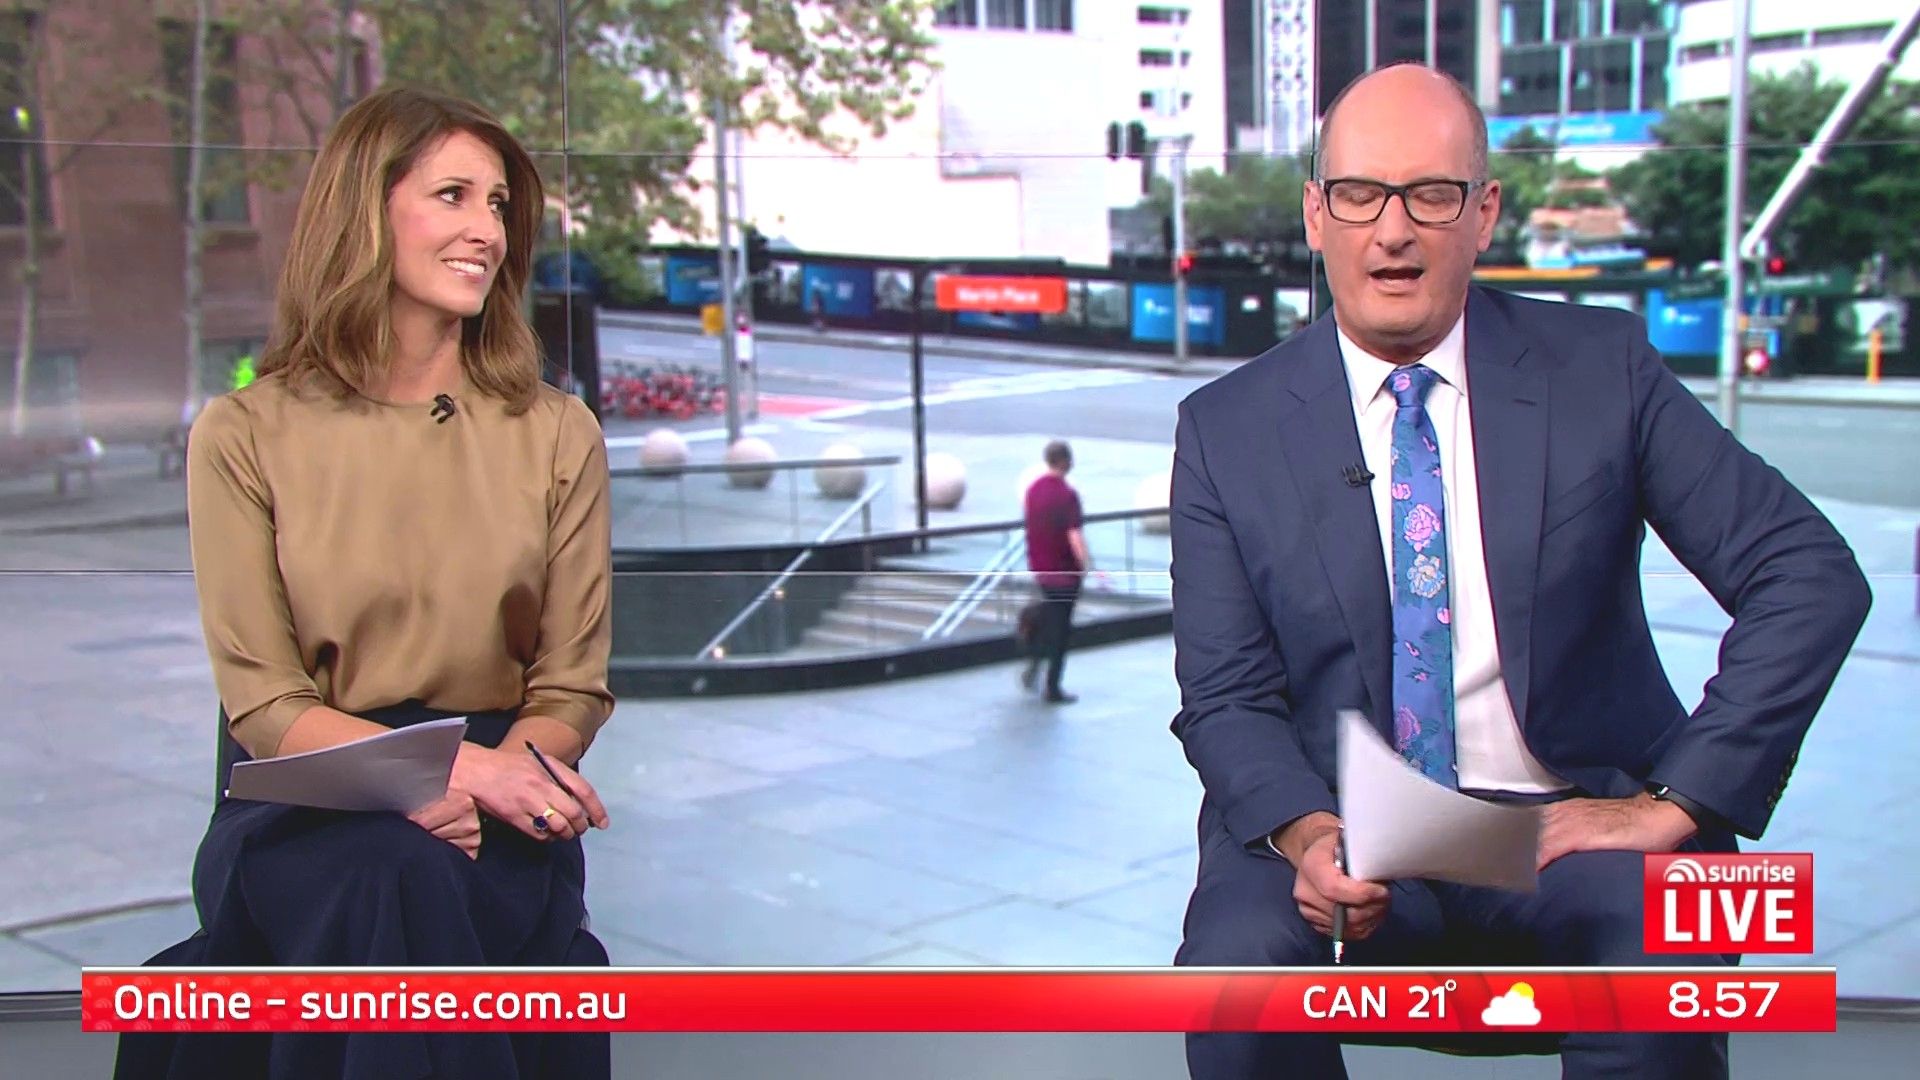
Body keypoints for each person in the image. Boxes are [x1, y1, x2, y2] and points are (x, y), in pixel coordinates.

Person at [1167, 63, 1870, 1080]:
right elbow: (1226, 696)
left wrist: (1672, 802)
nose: (1393, 231)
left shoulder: (1603, 367)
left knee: (1661, 969)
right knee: (1233, 977)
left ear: (1485, 212)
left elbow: (1807, 573)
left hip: (1567, 824)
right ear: (1317, 215)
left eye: (1431, 195)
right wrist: (1308, 831)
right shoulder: (1223, 430)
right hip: (1339, 824)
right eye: (1359, 195)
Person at [115, 85, 616, 1080]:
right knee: (390, 870)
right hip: (308, 798)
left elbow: (571, 689)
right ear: (365, 212)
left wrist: (485, 779)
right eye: (453, 196)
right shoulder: (245, 433)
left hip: (504, 795)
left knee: (410, 874)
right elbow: (264, 705)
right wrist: (434, 774)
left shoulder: (559, 433)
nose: (488, 231)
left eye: (499, 205)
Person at [1020, 439, 1089, 704]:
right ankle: (1053, 686)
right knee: (1061, 629)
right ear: (1066, 462)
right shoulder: (1067, 495)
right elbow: (1074, 535)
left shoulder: (1033, 490)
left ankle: (1034, 656)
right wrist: (1085, 566)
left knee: (1049, 617)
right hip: (1065, 574)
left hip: (1041, 569)